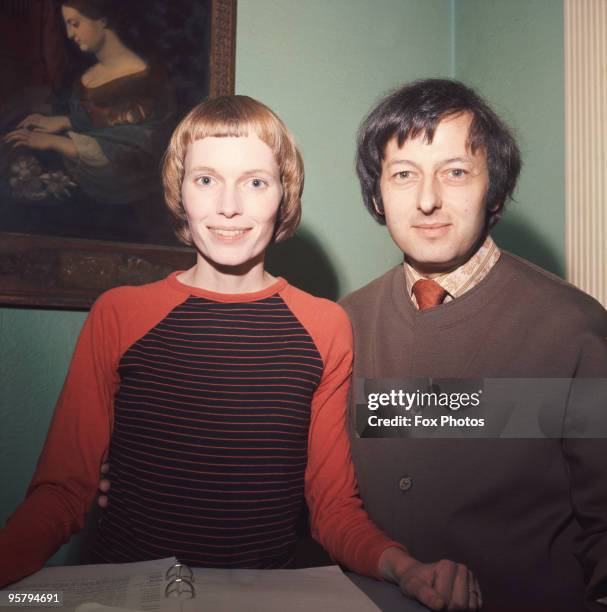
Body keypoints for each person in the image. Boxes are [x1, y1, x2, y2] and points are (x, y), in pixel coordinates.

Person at [0, 94, 483, 610]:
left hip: (263, 597)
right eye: (206, 180)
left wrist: (406, 568)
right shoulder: (119, 314)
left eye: (255, 182)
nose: (229, 205)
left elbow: (334, 510)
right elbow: (63, 493)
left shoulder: (325, 326)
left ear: (284, 194)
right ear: (179, 190)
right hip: (127, 595)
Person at [340, 78, 607, 612]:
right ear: (376, 195)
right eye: (403, 175)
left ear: (496, 190)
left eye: (455, 172)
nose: (428, 199)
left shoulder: (574, 329)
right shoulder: (344, 323)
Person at [4, 0, 171, 205]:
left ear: (102, 20)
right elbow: (101, 122)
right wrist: (66, 120)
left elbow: (131, 155)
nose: (69, 34)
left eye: (74, 24)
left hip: (122, 210)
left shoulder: (144, 81)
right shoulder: (86, 76)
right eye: (66, 25)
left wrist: (55, 142)